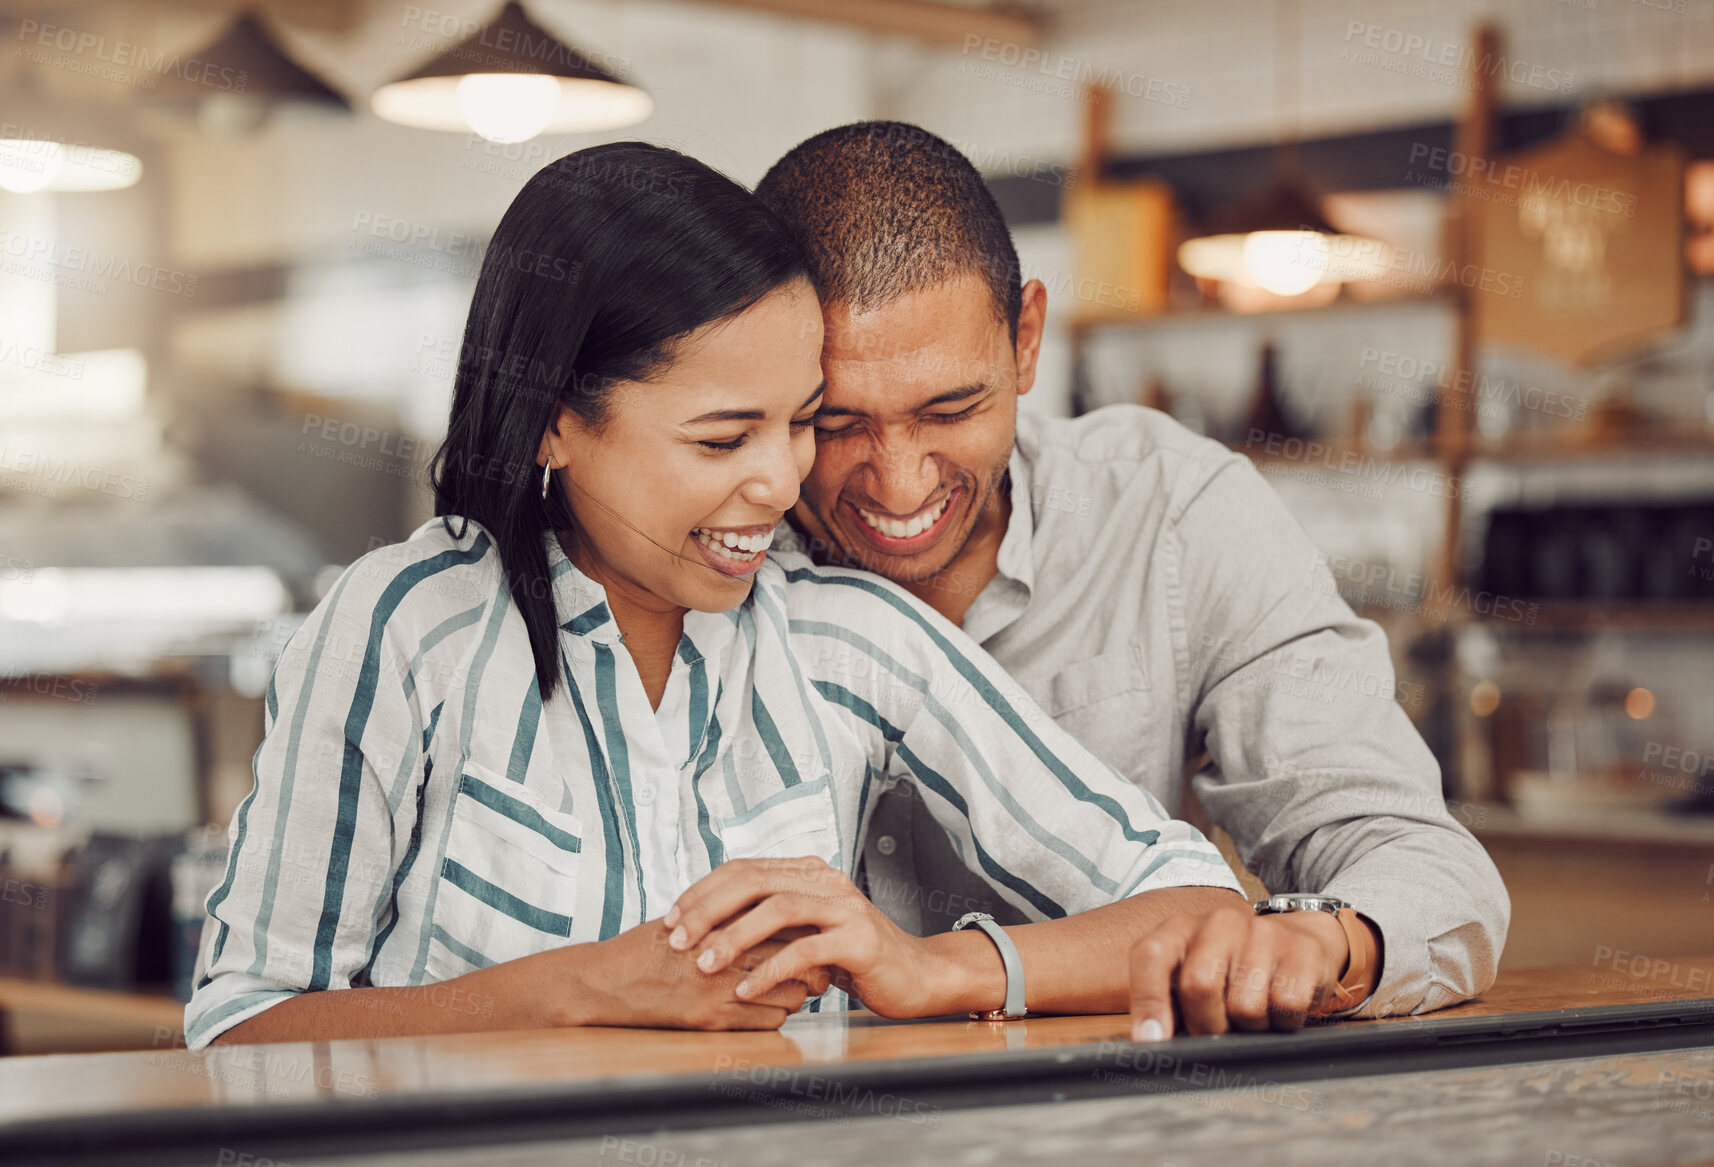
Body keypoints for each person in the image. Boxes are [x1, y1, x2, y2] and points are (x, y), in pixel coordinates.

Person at [184, 143, 1254, 1052]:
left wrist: (931, 967)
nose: (784, 483)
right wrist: (584, 990)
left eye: (801, 422)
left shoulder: (845, 639)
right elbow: (240, 1026)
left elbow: (1195, 903)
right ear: (553, 420)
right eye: (721, 438)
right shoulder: (407, 630)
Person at [755, 121, 1511, 1037]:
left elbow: (1418, 859)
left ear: (1027, 338)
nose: (901, 481)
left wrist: (1329, 943)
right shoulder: (710, 563)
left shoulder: (1173, 517)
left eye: (952, 408)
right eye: (836, 424)